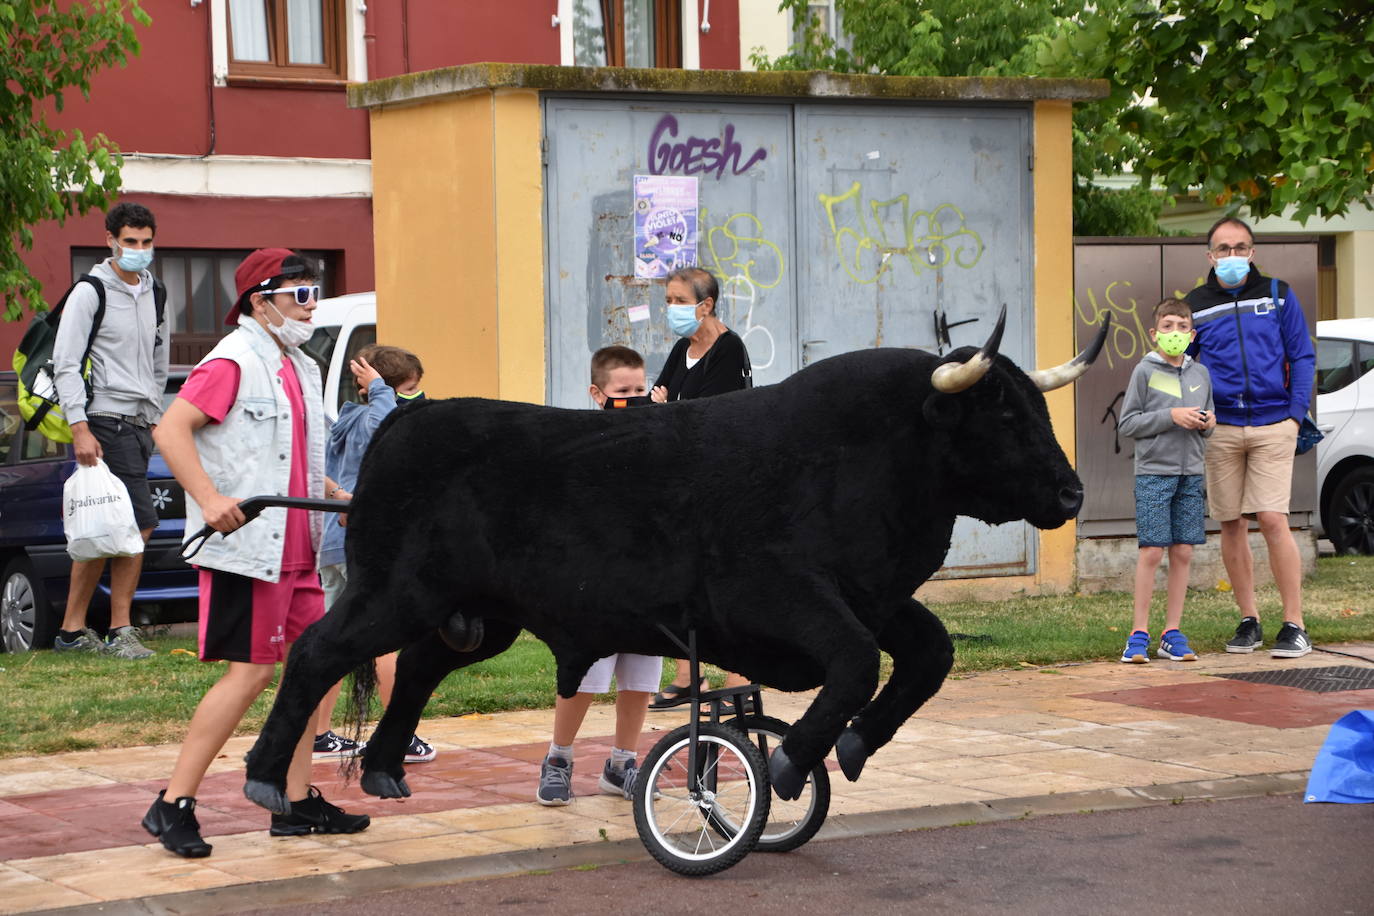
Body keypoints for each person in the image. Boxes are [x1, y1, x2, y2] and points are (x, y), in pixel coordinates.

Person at [142, 249, 369, 858]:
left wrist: (343, 494)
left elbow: (292, 454)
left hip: (298, 548)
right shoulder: (233, 359)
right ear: (260, 300)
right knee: (252, 674)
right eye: (300, 294)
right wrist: (209, 497)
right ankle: (172, 805)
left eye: (314, 291)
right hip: (248, 549)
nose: (312, 304)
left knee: (308, 669)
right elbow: (170, 429)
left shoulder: (296, 363)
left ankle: (292, 803)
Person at [1185, 217, 1316, 659]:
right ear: (1210, 257)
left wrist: (1295, 415)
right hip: (1220, 429)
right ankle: (1249, 620)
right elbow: (1176, 365)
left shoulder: (1278, 294)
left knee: (1273, 518)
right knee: (1230, 522)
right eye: (1223, 249)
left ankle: (1294, 623)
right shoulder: (1196, 305)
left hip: (1274, 424)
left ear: (1252, 252)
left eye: (1240, 247)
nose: (1232, 256)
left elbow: (1301, 354)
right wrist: (1189, 411)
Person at [536, 346, 661, 805]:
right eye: (622, 391)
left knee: (641, 673)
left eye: (639, 389)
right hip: (595, 578)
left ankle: (622, 762)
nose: (633, 397)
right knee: (587, 672)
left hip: (647, 575)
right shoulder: (581, 440)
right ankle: (558, 758)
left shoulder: (657, 433)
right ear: (597, 393)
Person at [51, 202, 169, 659]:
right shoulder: (91, 291)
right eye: (130, 242)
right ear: (111, 240)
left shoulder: (156, 291)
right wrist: (80, 426)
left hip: (139, 423)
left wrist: (156, 416)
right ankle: (121, 630)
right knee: (140, 524)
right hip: (103, 420)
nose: (138, 250)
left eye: (146, 242)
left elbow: (160, 359)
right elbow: (65, 362)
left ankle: (71, 632)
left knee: (105, 525)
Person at [313, 344, 436, 764]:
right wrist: (382, 390)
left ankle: (318, 733)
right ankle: (398, 734)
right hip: (359, 546)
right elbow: (385, 426)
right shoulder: (371, 416)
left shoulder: (345, 420)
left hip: (334, 545)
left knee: (333, 640)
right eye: (410, 389)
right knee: (386, 637)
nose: (415, 397)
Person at [647, 267, 752, 709]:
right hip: (681, 485)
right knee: (682, 583)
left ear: (705, 305)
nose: (670, 309)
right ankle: (690, 677)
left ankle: (739, 679)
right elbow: (657, 400)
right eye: (667, 300)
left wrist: (669, 407)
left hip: (723, 488)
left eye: (677, 300)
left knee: (726, 584)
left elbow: (707, 417)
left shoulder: (728, 350)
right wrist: (669, 407)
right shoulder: (681, 348)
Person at [1117, 299, 1215, 663]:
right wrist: (1170, 416)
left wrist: (1208, 423)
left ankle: (1171, 632)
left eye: (1182, 326)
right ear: (1155, 333)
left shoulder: (1200, 374)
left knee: (1184, 551)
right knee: (1152, 550)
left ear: (1192, 334)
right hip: (1154, 472)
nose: (1176, 333)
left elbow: (1209, 422)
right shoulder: (1144, 372)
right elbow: (1128, 424)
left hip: (1191, 472)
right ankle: (1137, 633)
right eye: (1168, 326)